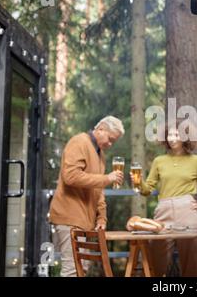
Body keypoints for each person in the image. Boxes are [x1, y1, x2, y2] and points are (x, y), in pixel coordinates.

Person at [130, 121, 197, 277]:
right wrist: (138, 182)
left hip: (188, 213)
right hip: (163, 213)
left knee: (192, 265)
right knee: (155, 263)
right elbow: (147, 190)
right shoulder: (159, 161)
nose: (172, 138)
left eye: (176, 134)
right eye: (169, 134)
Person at [49, 116, 125, 277]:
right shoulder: (79, 142)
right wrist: (107, 178)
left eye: (114, 142)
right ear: (101, 129)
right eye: (110, 139)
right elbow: (70, 176)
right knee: (72, 271)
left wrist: (102, 218)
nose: (110, 145)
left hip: (86, 221)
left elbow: (98, 189)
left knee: (81, 269)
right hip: (69, 217)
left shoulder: (100, 154)